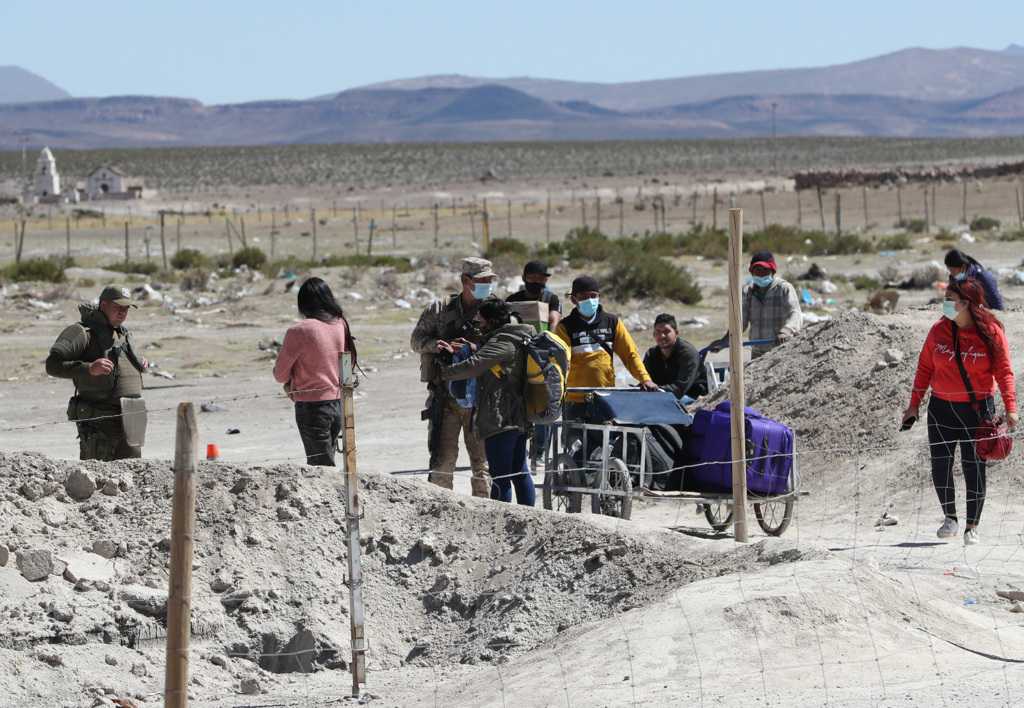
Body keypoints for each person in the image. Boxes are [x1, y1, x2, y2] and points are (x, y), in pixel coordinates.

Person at [901, 277, 1017, 546]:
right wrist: (914, 405)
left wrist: (1011, 407)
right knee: (941, 465)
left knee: (973, 466)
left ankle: (971, 527)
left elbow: (1004, 372)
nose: (945, 306)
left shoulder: (990, 331)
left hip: (978, 410)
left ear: (966, 303)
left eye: (950, 301)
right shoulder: (938, 331)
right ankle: (950, 517)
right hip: (941, 408)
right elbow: (924, 370)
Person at [410, 257, 497, 497]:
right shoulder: (439, 309)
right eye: (482, 280)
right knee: (442, 464)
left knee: (483, 467)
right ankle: (442, 513)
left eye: (490, 280)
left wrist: (474, 348)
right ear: (465, 280)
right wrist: (440, 346)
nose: (487, 284)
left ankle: (483, 514)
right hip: (445, 398)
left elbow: (506, 346)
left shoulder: (494, 310)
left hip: (480, 400)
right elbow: (416, 341)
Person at [441, 300, 536, 506]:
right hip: (518, 417)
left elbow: (474, 366)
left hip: (501, 420)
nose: (480, 326)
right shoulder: (518, 337)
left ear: (492, 322)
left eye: (482, 322)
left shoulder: (502, 342)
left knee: (501, 477)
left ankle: (501, 523)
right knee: (519, 473)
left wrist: (447, 370)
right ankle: (529, 519)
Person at [46, 284, 149, 461]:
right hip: (100, 421)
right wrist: (89, 368)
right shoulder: (81, 332)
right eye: (117, 307)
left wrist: (140, 362)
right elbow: (53, 365)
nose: (122, 312)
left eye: (126, 309)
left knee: (132, 478)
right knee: (99, 479)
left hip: (131, 418)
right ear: (103, 305)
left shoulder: (122, 334)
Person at [273, 277, 356, 466]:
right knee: (327, 461)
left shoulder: (299, 331)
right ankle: (343, 495)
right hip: (338, 403)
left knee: (321, 469)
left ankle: (334, 497)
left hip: (312, 407)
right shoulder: (339, 325)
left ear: (303, 303)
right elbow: (348, 361)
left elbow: (280, 375)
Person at [555, 275, 658, 424]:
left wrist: (645, 378)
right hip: (575, 398)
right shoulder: (564, 326)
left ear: (599, 296)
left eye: (593, 295)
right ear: (573, 299)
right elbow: (562, 361)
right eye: (583, 296)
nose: (589, 300)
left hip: (605, 396)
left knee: (606, 444)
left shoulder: (612, 322)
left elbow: (630, 356)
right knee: (576, 445)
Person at [709, 251, 801, 359]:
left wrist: (786, 331)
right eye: (757, 270)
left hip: (780, 351)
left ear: (772, 271)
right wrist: (724, 341)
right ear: (752, 272)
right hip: (756, 353)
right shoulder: (748, 291)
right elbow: (740, 322)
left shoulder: (784, 288)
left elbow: (795, 313)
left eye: (765, 269)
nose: (761, 273)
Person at [643, 313, 708, 405]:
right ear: (654, 334)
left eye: (666, 331)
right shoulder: (651, 354)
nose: (662, 336)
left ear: (676, 333)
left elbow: (680, 388)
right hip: (662, 397)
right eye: (658, 332)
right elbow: (646, 381)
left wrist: (655, 391)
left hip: (693, 399)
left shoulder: (688, 353)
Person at [506, 259, 562, 330]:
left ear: (546, 280)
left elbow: (554, 323)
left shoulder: (551, 299)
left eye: (541, 278)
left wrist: (548, 339)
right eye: (532, 277)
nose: (537, 281)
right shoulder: (512, 299)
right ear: (524, 278)